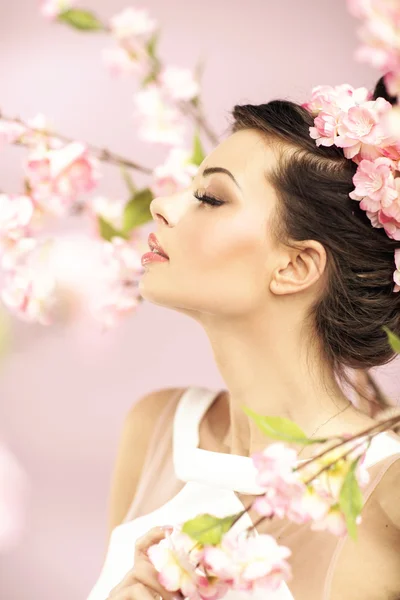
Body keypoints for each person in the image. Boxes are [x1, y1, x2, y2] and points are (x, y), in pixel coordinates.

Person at [87, 77, 400, 600]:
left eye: (210, 197)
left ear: (296, 265)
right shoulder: (157, 430)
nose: (162, 203)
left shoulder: (384, 490)